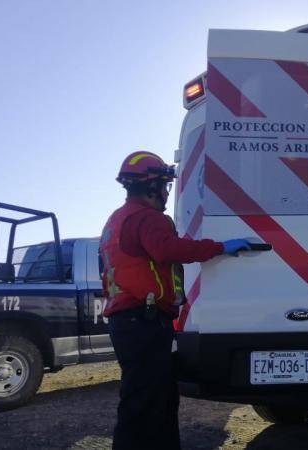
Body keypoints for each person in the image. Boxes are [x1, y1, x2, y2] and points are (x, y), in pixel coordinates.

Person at [100, 151, 250, 449]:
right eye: (165, 185)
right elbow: (168, 250)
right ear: (151, 186)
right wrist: (220, 247)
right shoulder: (147, 218)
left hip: (129, 322)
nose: (167, 192)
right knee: (146, 401)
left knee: (152, 397)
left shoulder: (117, 219)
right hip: (142, 322)